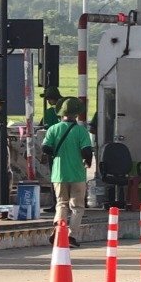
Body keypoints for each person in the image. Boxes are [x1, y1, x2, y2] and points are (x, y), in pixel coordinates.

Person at [43, 97, 94, 230]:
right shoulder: (81, 131)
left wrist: (57, 153)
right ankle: (72, 235)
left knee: (61, 203)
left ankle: (59, 229)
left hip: (59, 174)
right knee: (77, 207)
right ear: (76, 114)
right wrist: (87, 161)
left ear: (61, 113)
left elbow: (45, 148)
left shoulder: (53, 129)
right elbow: (87, 151)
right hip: (77, 174)